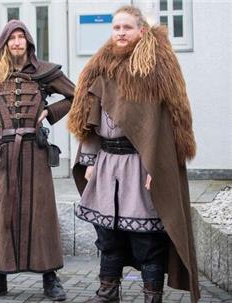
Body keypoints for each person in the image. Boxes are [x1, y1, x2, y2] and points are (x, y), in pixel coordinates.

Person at [67, 5, 199, 303]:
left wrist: (159, 167)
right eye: (116, 28)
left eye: (127, 28)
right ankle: (107, 292)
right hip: (105, 164)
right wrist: (88, 161)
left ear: (141, 31)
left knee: (146, 239)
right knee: (108, 235)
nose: (121, 33)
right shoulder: (100, 68)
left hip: (141, 166)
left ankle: (152, 296)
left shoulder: (154, 70)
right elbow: (89, 120)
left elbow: (166, 125)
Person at [0, 20, 75, 301]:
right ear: (5, 43)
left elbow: (75, 94)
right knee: (2, 210)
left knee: (42, 210)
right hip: (4, 151)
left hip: (36, 149)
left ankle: (50, 277)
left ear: (29, 42)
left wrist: (50, 111)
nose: (18, 43)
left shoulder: (46, 73)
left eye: (22, 38)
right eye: (13, 38)